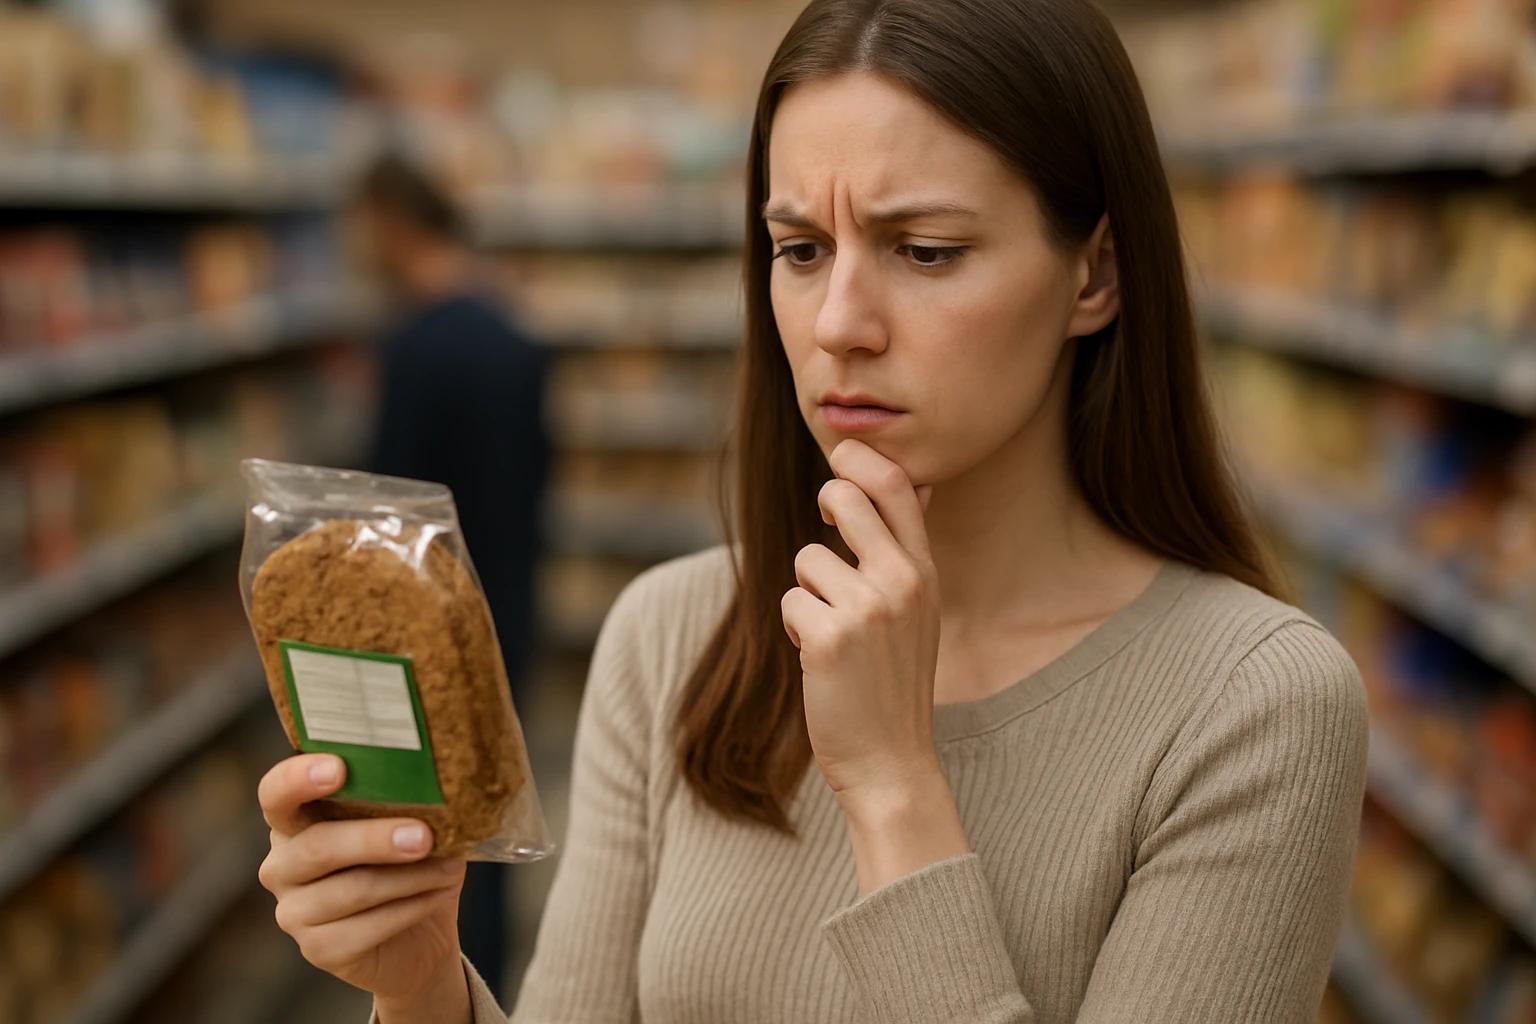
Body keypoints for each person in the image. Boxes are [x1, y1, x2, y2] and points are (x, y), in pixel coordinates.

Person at [256, 2, 1369, 1021]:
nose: (839, 322)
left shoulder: (1254, 708)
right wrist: (420, 987)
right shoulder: (673, 635)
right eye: (800, 249)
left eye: (925, 250)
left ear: (1095, 276)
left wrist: (894, 784)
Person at [350, 151, 550, 1000]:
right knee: (493, 814)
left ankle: (440, 988)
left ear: (393, 222)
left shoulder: (413, 345)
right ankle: (489, 988)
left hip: (424, 632)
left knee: (428, 837)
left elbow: (386, 503)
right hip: (507, 603)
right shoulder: (513, 332)